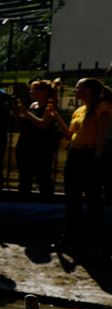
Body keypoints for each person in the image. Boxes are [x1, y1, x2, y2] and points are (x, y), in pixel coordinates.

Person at [55, 77, 112, 255]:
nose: (75, 90)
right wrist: (56, 116)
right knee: (72, 197)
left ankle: (95, 240)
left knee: (93, 198)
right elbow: (69, 134)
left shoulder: (102, 107)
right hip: (76, 153)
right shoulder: (79, 110)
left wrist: (97, 157)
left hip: (90, 154)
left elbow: (102, 134)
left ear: (88, 90)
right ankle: (69, 237)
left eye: (78, 87)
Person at [14, 79, 67, 198]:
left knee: (42, 176)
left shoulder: (50, 106)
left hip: (40, 147)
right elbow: (27, 122)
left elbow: (43, 124)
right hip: (26, 144)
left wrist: (26, 112)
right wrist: (18, 114)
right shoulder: (33, 105)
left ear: (44, 92)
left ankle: (46, 201)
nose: (31, 92)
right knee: (24, 176)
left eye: (34, 90)